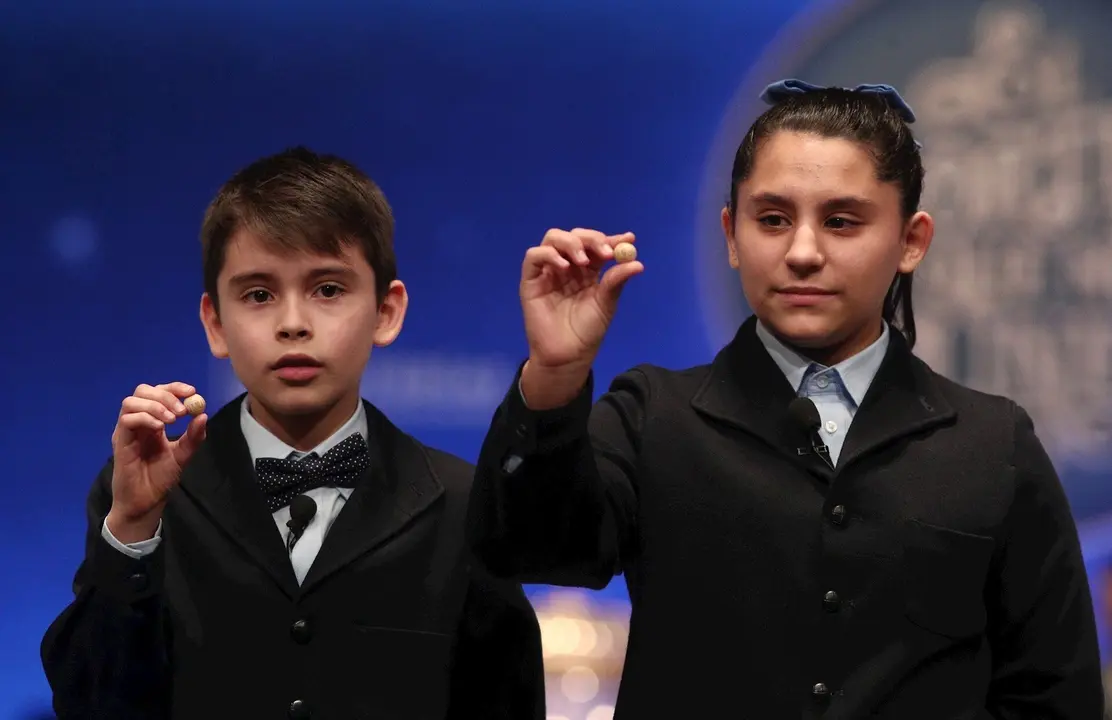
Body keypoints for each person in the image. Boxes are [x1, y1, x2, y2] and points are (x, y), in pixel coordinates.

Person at [466, 80, 1104, 718]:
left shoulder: (994, 444)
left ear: (912, 241)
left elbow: (1053, 695)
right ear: (731, 234)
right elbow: (524, 548)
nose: (803, 252)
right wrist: (555, 373)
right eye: (772, 219)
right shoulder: (653, 415)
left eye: (841, 221)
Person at [42, 147, 545, 720]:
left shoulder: (462, 503)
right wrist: (131, 529)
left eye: (328, 289)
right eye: (258, 294)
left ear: (387, 311)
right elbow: (88, 702)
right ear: (215, 322)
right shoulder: (143, 496)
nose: (293, 323)